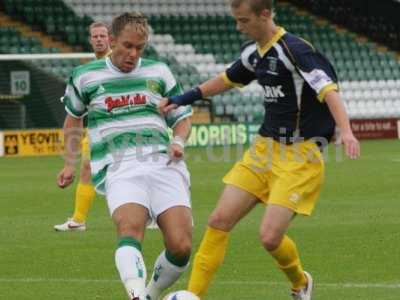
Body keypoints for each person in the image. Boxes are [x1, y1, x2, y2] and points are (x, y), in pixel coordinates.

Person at [159, 0, 361, 299]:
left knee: (269, 237)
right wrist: (184, 97)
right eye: (237, 21)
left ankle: (300, 282)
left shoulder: (295, 50)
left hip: (300, 156)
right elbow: (227, 79)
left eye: (243, 21)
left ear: (264, 15)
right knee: (218, 221)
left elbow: (328, 89)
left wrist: (345, 131)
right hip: (263, 150)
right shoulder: (254, 53)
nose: (239, 27)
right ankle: (193, 295)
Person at [57, 12, 193, 300]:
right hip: (119, 167)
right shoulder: (86, 76)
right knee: (130, 229)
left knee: (181, 247)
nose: (133, 54)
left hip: (164, 164)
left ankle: (150, 295)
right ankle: (136, 296)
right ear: (113, 41)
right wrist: (69, 163)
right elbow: (73, 122)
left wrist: (178, 140)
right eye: (128, 46)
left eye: (140, 48)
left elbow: (182, 118)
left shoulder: (159, 72)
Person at [54, 21, 112, 232]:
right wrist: (69, 163)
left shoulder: (119, 64)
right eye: (95, 36)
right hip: (97, 130)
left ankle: (157, 213)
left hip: (123, 128)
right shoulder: (86, 72)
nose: (98, 39)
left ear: (110, 39)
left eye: (102, 36)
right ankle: (78, 220)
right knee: (87, 167)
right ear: (90, 39)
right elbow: (73, 117)